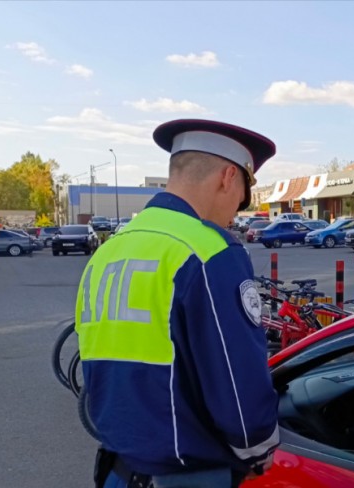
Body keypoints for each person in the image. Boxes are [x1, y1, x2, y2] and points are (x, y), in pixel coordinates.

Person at [75, 119, 280, 488]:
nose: (235, 212)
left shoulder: (108, 253)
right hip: (189, 477)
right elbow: (239, 390)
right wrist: (260, 453)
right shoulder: (209, 250)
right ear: (228, 177)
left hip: (117, 471)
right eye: (242, 197)